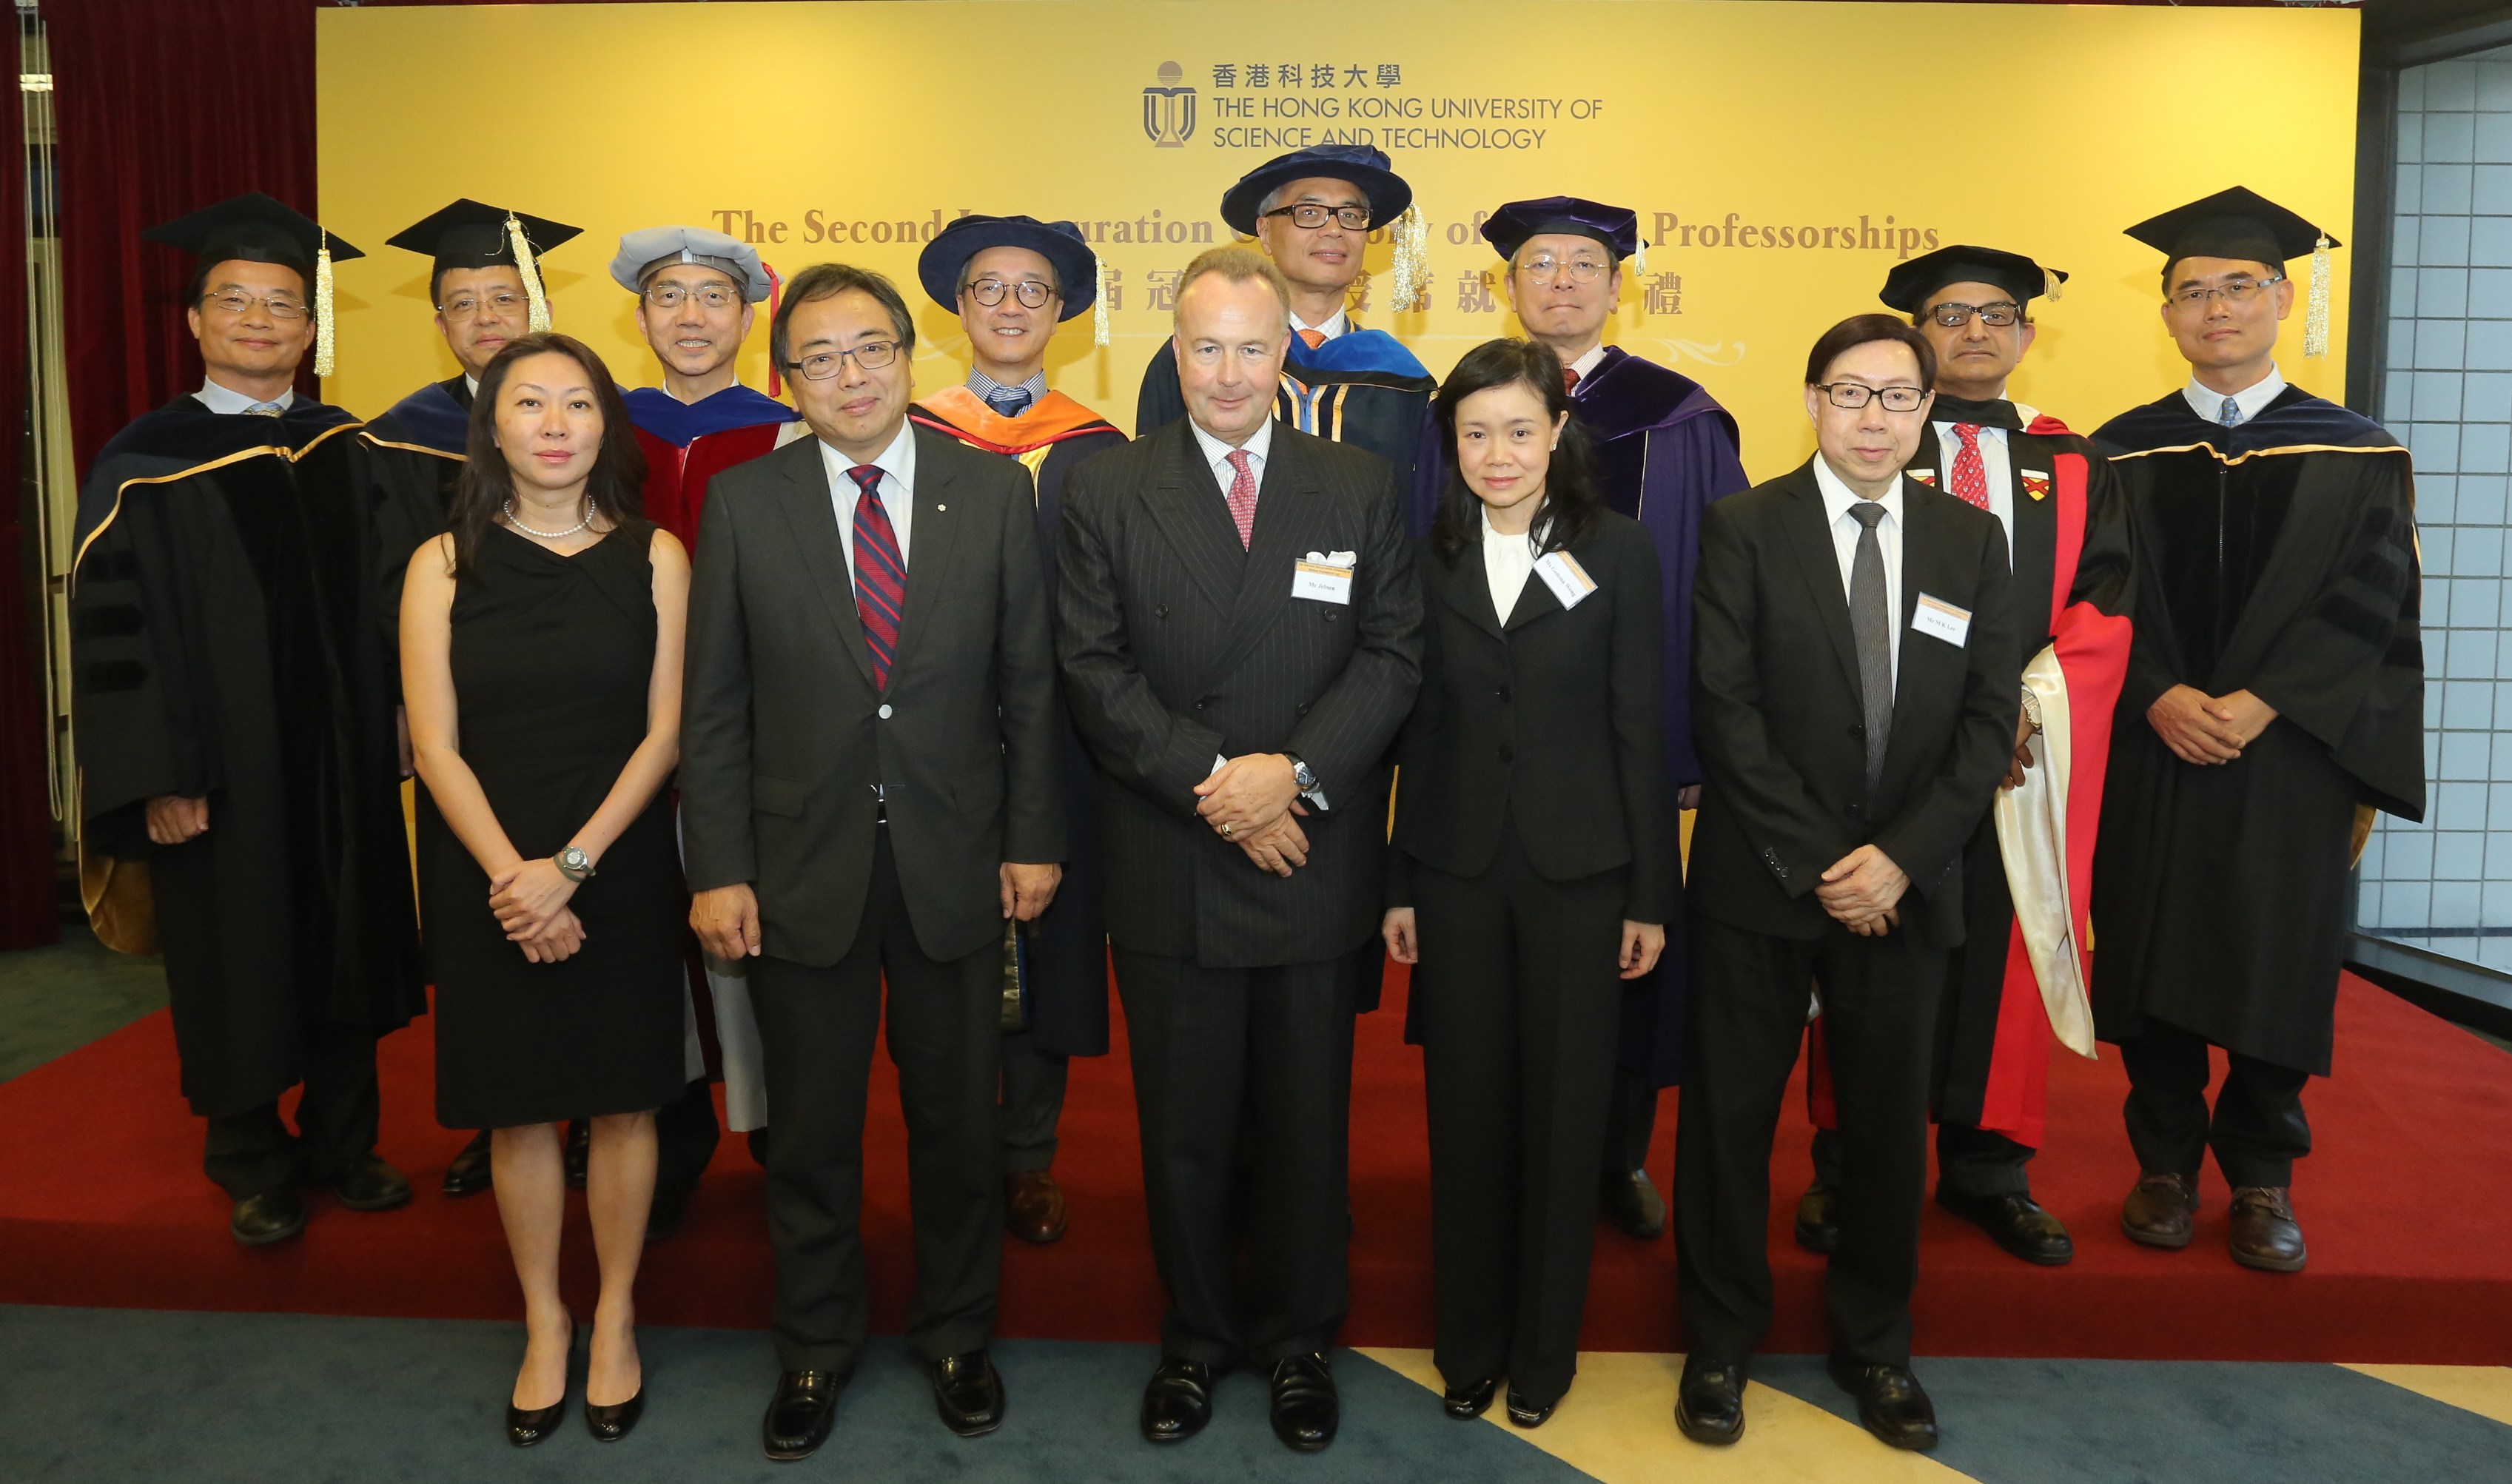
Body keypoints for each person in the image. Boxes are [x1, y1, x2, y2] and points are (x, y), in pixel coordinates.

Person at [679, 262, 1065, 1461]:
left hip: (956, 860)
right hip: (798, 870)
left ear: (909, 356)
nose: (848, 376)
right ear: (786, 379)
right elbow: (715, 708)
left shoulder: (990, 492)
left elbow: (1027, 685)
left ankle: (956, 1335)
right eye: (819, 359)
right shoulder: (746, 504)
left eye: (868, 350)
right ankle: (813, 1348)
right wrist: (720, 867)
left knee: (956, 1121)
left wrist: (1032, 839)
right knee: (809, 1131)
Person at [1059, 245, 1423, 1454]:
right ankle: (1195, 1337)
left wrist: (1291, 779)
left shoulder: (1357, 484)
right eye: (1202, 346)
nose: (1225, 372)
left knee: (1306, 1120)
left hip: (1308, 852)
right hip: (1176, 850)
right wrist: (1215, 783)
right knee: (1183, 1125)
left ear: (1287, 355)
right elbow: (1091, 669)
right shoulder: (1107, 485)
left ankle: (1297, 1339)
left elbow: (1390, 654)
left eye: (1250, 347)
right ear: (1173, 351)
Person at [1675, 315, 2018, 1454]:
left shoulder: (1970, 539)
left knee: (1883, 1132)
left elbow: (1984, 722)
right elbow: (1724, 713)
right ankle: (1718, 1341)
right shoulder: (1742, 527)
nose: (1873, 418)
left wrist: (1901, 860)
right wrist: (1826, 864)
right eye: (1849, 394)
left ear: (1926, 411)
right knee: (1727, 1121)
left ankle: (1874, 1343)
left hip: (1905, 887)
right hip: (1764, 880)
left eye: (1896, 397)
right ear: (1812, 402)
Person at [70, 192, 423, 1247]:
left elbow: (397, 595)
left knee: (346, 937)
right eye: (236, 302)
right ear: (195, 322)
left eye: (282, 303)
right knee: (236, 953)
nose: (261, 321)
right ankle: (252, 1161)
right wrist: (157, 775)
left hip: (345, 751)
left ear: (311, 328)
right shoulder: (143, 462)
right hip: (216, 768)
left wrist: (407, 711)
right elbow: (115, 638)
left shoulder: (348, 447)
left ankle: (345, 1146)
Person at [2091, 188, 2425, 1274]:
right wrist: (2153, 691)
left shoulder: (2357, 452)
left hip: (2290, 750)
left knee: (2279, 953)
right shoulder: (2120, 454)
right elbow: (2093, 596)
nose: (2215, 307)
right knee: (2150, 943)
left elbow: (2373, 600)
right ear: (2167, 314)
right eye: (2193, 291)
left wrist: (2262, 700)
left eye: (2238, 287)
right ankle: (2165, 1164)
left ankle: (2263, 1178)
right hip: (2157, 740)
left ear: (2280, 297)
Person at [1793, 246, 2136, 1269]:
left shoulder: (2071, 461)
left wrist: (2020, 711)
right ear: (1915, 335)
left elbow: (2108, 600)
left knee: (2004, 943)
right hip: (1895, 760)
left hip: (2028, 757)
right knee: (1876, 940)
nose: (1977, 331)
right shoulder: (1879, 442)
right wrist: (1948, 722)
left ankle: (1989, 1166)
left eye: (1998, 315)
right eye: (1952, 314)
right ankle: (1847, 1160)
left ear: (2028, 335)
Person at [1417, 196, 1750, 1240]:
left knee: (1625, 955)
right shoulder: (1466, 412)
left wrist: (1690, 739)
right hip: (1494, 778)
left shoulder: (1681, 415)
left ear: (1618, 286)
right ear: (1507, 287)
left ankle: (1614, 1153)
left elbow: (1716, 591)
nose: (1559, 281)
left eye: (1582, 265)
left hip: (1626, 749)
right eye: (1537, 264)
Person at [402, 333, 688, 1446]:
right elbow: (434, 745)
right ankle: (544, 1318)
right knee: (518, 1105)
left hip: (614, 865)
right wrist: (516, 881)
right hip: (487, 870)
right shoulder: (442, 563)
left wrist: (570, 869)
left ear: (607, 426)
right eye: (531, 403)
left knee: (622, 1098)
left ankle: (614, 1313)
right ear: (495, 426)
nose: (557, 423)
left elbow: (667, 733)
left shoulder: (657, 557)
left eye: (579, 403)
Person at [1380, 338, 1668, 1429]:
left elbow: (1640, 727)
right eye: (1473, 433)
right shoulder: (1425, 555)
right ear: (1448, 446)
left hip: (1581, 875)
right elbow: (1414, 729)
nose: (1496, 454)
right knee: (1465, 1114)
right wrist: (1399, 880)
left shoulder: (1621, 552)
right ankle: (1468, 1343)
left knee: (1561, 1117)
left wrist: (1650, 893)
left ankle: (1544, 1354)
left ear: (1557, 433)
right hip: (1453, 872)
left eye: (1517, 429)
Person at [907, 214, 1126, 1246]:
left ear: (1061, 310)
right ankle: (951, 1154)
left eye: (1029, 289)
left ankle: (1029, 1156)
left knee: (1047, 946)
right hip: (933, 733)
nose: (1007, 305)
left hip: (1064, 736)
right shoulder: (903, 432)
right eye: (987, 287)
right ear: (958, 304)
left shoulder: (1101, 448)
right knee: (942, 941)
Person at [361, 197, 582, 1202]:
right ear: (440, 323)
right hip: (464, 730)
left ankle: (591, 1109)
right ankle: (501, 1120)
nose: (486, 316)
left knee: (592, 921)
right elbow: (378, 584)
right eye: (463, 302)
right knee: (482, 921)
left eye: (504, 296)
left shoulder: (580, 416)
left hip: (578, 727)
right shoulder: (402, 437)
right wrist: (404, 704)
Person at [612, 223, 801, 1229]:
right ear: (639, 316)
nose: (690, 317)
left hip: (757, 734)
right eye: (669, 298)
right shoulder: (599, 429)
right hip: (622, 734)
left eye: (712, 298)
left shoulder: (788, 432)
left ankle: (784, 1141)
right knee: (647, 945)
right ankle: (666, 1143)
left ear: (745, 314)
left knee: (762, 939)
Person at [1135, 144, 1437, 510]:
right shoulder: (1189, 364)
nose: (1333, 230)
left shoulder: (1401, 380)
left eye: (1351, 215)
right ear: (1264, 231)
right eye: (1308, 212)